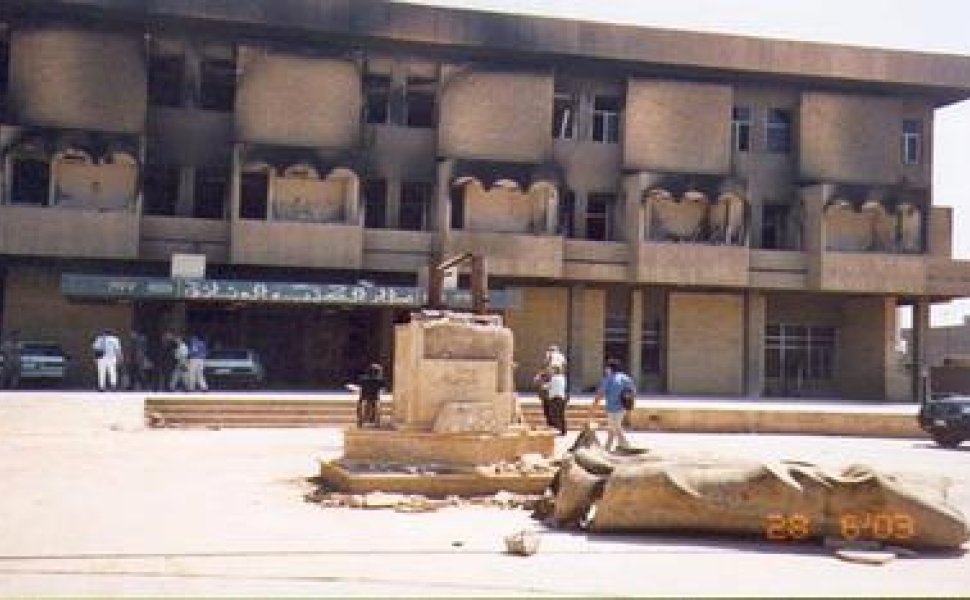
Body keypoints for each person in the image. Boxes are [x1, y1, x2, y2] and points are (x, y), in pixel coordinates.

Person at [591, 358, 636, 451]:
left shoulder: (608, 379)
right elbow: (633, 392)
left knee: (615, 428)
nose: (605, 370)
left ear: (609, 368)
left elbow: (600, 394)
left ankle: (626, 446)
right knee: (613, 428)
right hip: (622, 407)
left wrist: (593, 407)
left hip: (612, 408)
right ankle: (607, 447)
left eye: (606, 368)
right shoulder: (625, 378)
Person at [347, 363, 385, 428]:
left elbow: (359, 387)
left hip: (364, 398)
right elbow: (382, 390)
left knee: (360, 404)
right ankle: (376, 421)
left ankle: (360, 420)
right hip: (374, 398)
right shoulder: (379, 381)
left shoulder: (363, 379)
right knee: (376, 404)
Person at [547, 364, 568, 436]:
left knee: (554, 414)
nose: (551, 371)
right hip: (562, 398)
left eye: (552, 370)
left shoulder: (554, 378)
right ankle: (563, 430)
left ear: (555, 370)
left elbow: (550, 386)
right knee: (561, 415)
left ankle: (557, 428)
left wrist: (544, 386)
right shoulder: (563, 378)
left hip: (555, 398)